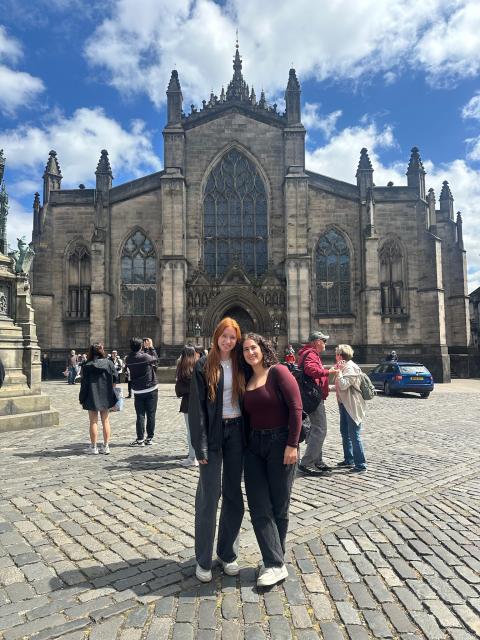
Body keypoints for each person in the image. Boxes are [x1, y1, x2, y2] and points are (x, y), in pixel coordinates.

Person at [241, 333, 302, 587]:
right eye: (245, 350)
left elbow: (296, 408)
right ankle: (275, 560)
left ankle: (275, 562)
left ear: (262, 347)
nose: (250, 353)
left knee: (279, 504)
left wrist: (292, 444)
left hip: (280, 444)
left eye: (253, 347)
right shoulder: (247, 378)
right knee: (258, 505)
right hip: (254, 446)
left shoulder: (278, 372)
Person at [188, 317, 246, 583]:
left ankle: (226, 553)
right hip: (212, 435)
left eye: (232, 337)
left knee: (233, 495)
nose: (228, 341)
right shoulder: (204, 364)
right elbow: (197, 409)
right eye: (224, 336)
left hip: (237, 433)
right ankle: (203, 559)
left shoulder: (242, 363)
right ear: (216, 337)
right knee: (209, 496)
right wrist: (198, 445)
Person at [297, 331, 331, 477]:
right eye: (324, 341)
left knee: (315, 429)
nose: (325, 344)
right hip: (313, 397)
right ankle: (307, 462)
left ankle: (317, 460)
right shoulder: (311, 354)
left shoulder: (309, 353)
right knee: (320, 429)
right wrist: (328, 372)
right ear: (317, 341)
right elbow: (311, 370)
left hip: (311, 396)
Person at [329, 344, 367, 473]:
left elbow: (344, 385)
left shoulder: (350, 367)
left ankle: (361, 465)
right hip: (344, 404)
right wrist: (327, 388)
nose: (335, 356)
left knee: (354, 434)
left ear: (340, 355)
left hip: (352, 405)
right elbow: (341, 387)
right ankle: (349, 460)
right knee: (345, 433)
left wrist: (338, 372)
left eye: (336, 354)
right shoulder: (345, 367)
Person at [79, 343, 118, 455]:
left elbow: (84, 384)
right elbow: (115, 378)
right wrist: (112, 391)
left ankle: (94, 447)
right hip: (106, 394)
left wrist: (82, 398)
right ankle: (106, 446)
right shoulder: (109, 363)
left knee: (93, 421)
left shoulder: (86, 365)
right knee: (105, 421)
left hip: (91, 395)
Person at [125, 337, 158, 446]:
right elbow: (155, 359)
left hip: (138, 390)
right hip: (151, 388)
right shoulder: (145, 357)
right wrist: (151, 347)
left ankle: (140, 439)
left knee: (140, 415)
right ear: (140, 346)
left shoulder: (128, 359)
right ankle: (149, 438)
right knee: (151, 414)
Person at [175, 345, 200, 467]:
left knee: (190, 431)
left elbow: (179, 390)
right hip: (200, 402)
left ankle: (192, 457)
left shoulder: (183, 368)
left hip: (188, 403)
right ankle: (199, 454)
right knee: (200, 430)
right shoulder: (200, 366)